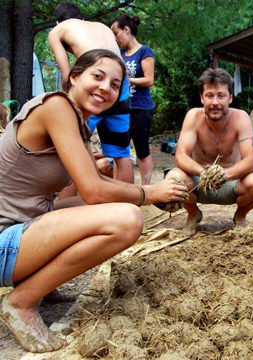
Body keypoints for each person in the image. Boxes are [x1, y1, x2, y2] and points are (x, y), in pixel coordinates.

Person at [0, 49, 188, 353]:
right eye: (97, 77)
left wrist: (147, 194)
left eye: (115, 85)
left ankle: (40, 283)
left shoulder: (81, 124)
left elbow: (100, 183)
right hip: (3, 240)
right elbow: (93, 191)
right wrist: (150, 193)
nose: (105, 88)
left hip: (20, 230)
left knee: (119, 209)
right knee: (127, 221)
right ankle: (21, 302)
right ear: (74, 77)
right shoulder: (57, 106)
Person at [165, 68, 253, 235]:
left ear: (230, 98)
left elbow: (251, 160)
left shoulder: (241, 117)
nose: (215, 102)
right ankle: (193, 214)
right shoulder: (193, 116)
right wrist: (203, 172)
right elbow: (181, 156)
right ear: (201, 98)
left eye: (221, 95)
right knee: (174, 178)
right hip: (199, 181)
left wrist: (224, 175)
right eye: (209, 95)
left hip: (232, 182)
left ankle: (240, 216)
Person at [48, 2, 134, 183]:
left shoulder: (58, 30)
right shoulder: (101, 27)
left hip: (95, 84)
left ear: (57, 22)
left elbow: (66, 75)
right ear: (82, 19)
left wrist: (64, 106)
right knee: (121, 153)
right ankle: (127, 205)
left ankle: (70, 206)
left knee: (72, 150)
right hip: (120, 85)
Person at [111, 14, 155, 185]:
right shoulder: (119, 54)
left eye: (116, 33)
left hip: (141, 108)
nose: (115, 38)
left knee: (142, 151)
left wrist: (127, 80)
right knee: (119, 151)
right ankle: (118, 189)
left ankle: (147, 190)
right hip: (122, 108)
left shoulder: (145, 51)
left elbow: (149, 80)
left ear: (127, 30)